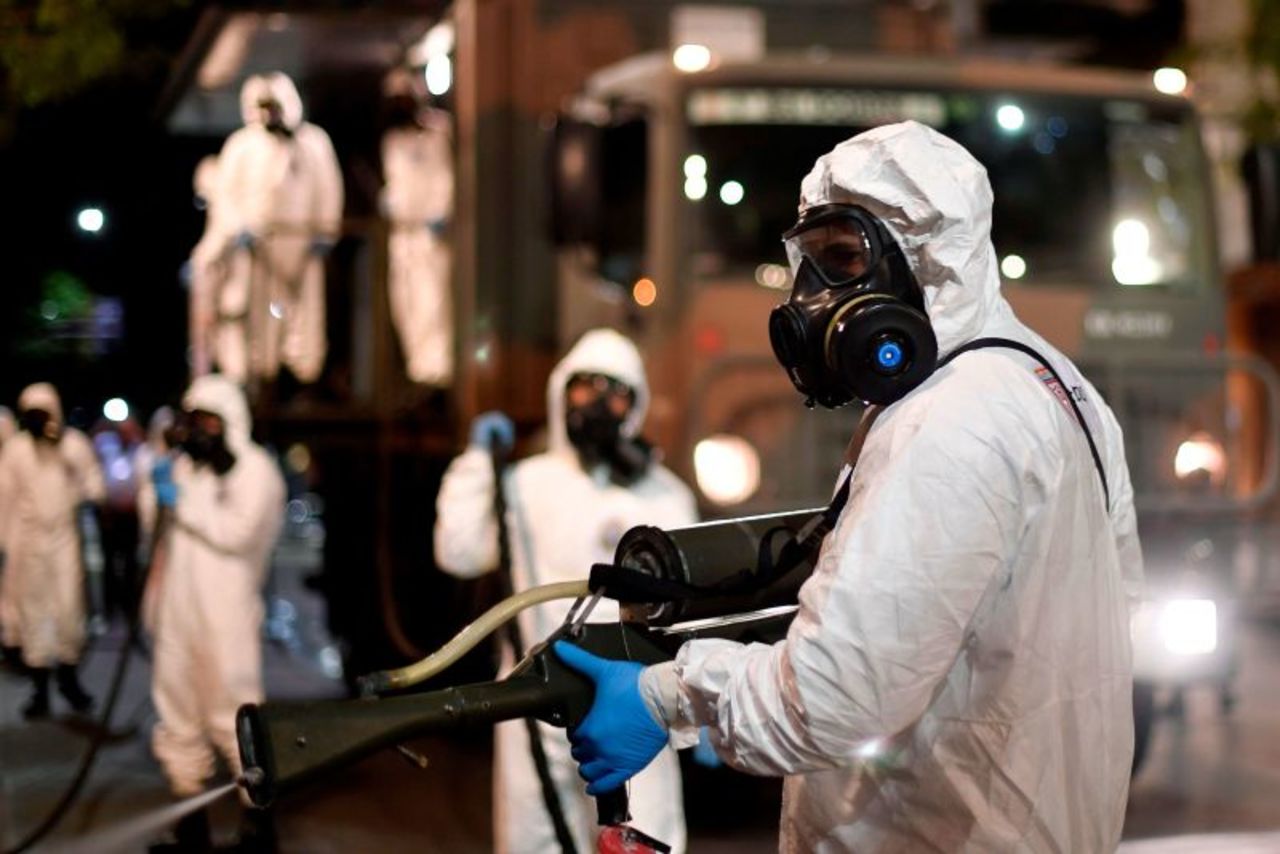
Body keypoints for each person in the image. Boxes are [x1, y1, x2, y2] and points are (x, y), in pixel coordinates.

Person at [554, 122, 1145, 851]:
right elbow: (1114, 617)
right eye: (808, 260)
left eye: (842, 258)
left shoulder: (950, 420)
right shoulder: (1056, 384)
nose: (811, 296)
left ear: (927, 255)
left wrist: (669, 695)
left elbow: (832, 700)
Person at [435, 328, 697, 854]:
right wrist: (474, 467)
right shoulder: (524, 484)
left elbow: (688, 608)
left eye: (616, 389)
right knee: (531, 839)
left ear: (636, 404)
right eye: (586, 385)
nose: (599, 401)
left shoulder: (664, 496)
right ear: (561, 393)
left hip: (632, 702)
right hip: (534, 700)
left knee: (639, 836)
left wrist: (694, 706)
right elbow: (459, 552)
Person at [141, 375, 285, 850]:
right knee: (179, 714)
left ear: (229, 422)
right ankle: (191, 823)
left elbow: (237, 532)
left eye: (206, 421)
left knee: (236, 717)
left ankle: (257, 826)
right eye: (191, 420)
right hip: (179, 614)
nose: (196, 431)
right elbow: (157, 527)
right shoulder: (186, 470)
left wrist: (180, 503)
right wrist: (156, 488)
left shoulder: (255, 470)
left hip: (226, 617)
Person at [212, 72, 343, 385]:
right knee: (260, 313)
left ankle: (304, 374)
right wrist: (237, 228)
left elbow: (329, 187)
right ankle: (263, 373)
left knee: (306, 311)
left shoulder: (312, 142)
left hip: (301, 243)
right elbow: (225, 195)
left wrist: (326, 230)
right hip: (258, 246)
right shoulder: (242, 146)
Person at [0, 383, 105, 717]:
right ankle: (39, 689)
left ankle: (69, 680)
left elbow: (96, 487)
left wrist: (69, 460)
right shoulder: (16, 450)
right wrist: (6, 544)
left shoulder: (73, 445)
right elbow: (5, 499)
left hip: (64, 540)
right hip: (29, 544)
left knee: (68, 612)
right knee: (33, 615)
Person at [381, 67, 455, 388]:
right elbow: (396, 182)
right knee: (405, 301)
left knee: (431, 301)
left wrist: (441, 212)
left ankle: (436, 369)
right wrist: (390, 201)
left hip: (429, 232)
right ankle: (416, 368)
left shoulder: (439, 132)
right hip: (402, 232)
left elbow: (446, 177)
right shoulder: (393, 140)